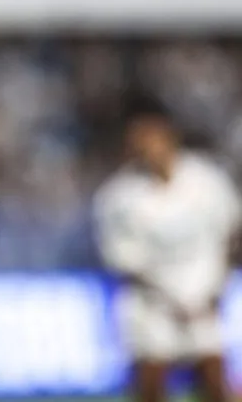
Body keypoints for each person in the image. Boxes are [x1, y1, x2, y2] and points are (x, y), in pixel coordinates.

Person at [94, 97, 241, 402]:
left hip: (203, 298)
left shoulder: (206, 180)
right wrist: (173, 301)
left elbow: (232, 232)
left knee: (215, 380)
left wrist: (215, 289)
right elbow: (124, 264)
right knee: (150, 385)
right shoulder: (119, 197)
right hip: (153, 306)